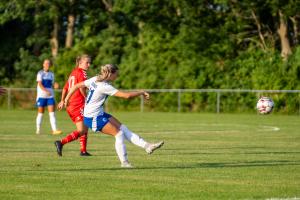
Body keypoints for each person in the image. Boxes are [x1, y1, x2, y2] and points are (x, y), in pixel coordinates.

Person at [55, 64, 164, 168]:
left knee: (123, 128)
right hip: (93, 118)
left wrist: (66, 99)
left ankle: (147, 146)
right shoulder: (104, 86)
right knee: (119, 134)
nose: (117, 76)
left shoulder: (96, 79)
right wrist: (141, 92)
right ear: (110, 74)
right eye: (116, 74)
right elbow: (126, 96)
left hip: (97, 113)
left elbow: (77, 85)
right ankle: (124, 163)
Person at [56, 54, 91, 156]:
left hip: (71, 104)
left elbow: (65, 88)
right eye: (87, 62)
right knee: (81, 130)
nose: (89, 65)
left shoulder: (73, 73)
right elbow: (81, 88)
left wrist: (62, 100)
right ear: (80, 63)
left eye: (89, 62)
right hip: (77, 104)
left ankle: (83, 151)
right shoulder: (82, 73)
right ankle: (61, 142)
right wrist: (87, 98)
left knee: (85, 126)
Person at [36, 59, 62, 135]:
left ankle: (54, 130)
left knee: (52, 113)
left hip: (50, 96)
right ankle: (38, 129)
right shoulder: (40, 73)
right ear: (43, 64)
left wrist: (55, 85)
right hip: (41, 96)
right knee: (41, 113)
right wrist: (45, 91)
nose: (47, 64)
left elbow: (52, 84)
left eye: (49, 63)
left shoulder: (51, 74)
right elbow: (40, 84)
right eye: (46, 63)